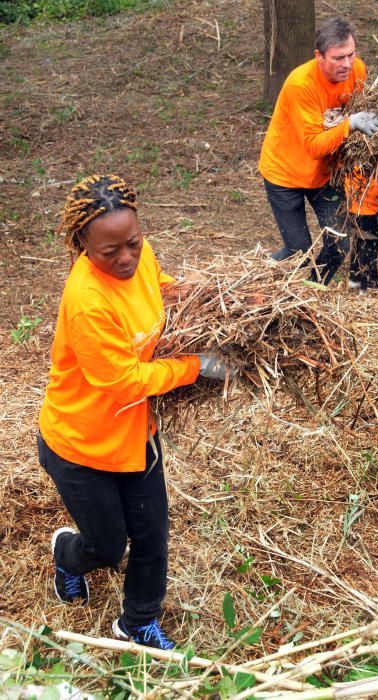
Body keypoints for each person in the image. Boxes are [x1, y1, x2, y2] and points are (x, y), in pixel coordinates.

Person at [37, 174, 231, 650]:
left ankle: (138, 620)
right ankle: (67, 553)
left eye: (133, 243)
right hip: (83, 444)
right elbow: (123, 382)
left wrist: (215, 302)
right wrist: (194, 366)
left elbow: (158, 286)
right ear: (83, 243)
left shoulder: (137, 255)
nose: (126, 258)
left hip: (136, 433)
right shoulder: (87, 303)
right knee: (107, 547)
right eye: (111, 252)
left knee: (151, 536)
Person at [258, 16, 378, 284]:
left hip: (325, 175)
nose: (347, 64)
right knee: (298, 253)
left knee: (339, 244)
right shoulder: (301, 85)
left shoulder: (357, 71)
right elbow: (315, 146)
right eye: (339, 58)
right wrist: (350, 124)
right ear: (319, 56)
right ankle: (260, 270)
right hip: (285, 175)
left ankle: (313, 288)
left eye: (351, 55)